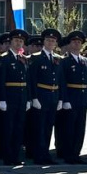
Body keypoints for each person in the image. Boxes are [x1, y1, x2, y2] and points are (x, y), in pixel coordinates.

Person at [26, 28, 62, 165]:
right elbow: (32, 79)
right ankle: (38, 155)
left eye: (53, 41)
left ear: (56, 44)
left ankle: (46, 154)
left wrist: (61, 98)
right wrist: (34, 98)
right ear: (44, 42)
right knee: (38, 127)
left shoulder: (58, 59)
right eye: (48, 40)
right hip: (41, 96)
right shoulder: (36, 58)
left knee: (48, 127)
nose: (50, 42)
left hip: (53, 96)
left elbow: (61, 80)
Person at [0, 29, 29, 166]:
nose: (18, 43)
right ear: (11, 42)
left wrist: (29, 98)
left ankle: (15, 155)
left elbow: (28, 80)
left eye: (21, 41)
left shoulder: (24, 59)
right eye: (16, 40)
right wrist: (2, 99)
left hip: (21, 98)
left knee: (19, 129)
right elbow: (1, 80)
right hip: (9, 98)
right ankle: (7, 156)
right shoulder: (4, 58)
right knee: (8, 128)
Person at [56, 30, 87, 164]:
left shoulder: (85, 61)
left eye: (79, 42)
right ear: (69, 44)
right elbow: (62, 82)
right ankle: (68, 154)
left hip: (82, 97)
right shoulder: (64, 61)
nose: (76, 44)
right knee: (68, 127)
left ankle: (76, 153)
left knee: (80, 128)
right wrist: (65, 100)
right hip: (71, 96)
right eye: (74, 42)